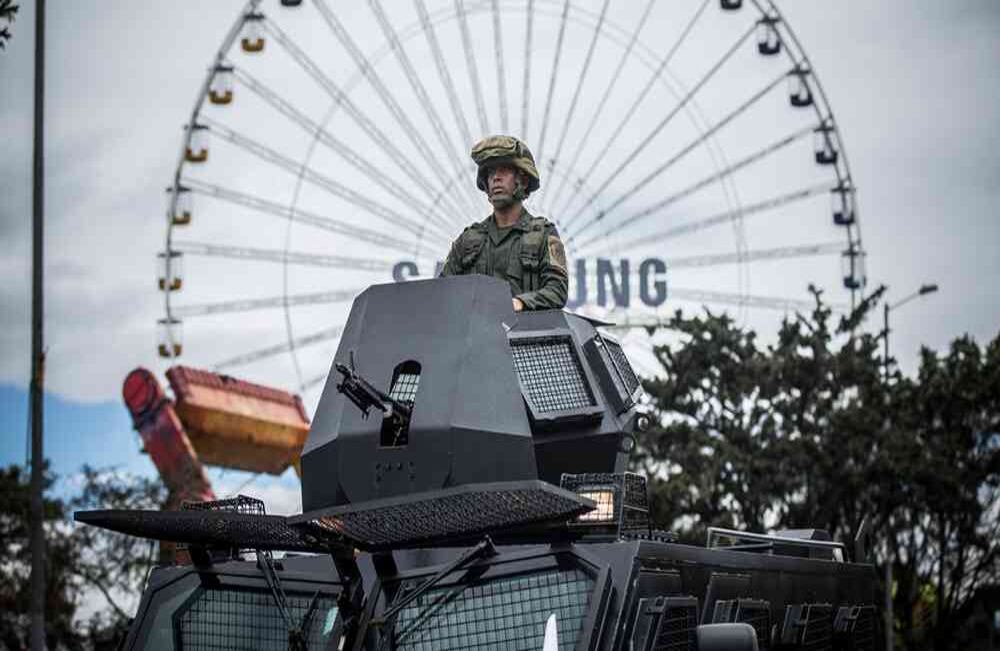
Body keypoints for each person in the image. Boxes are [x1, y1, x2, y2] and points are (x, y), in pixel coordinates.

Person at [440, 136, 569, 311]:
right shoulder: (469, 239)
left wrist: (520, 303)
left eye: (503, 171)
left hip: (527, 335)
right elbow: (441, 293)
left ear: (522, 180)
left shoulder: (542, 234)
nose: (495, 178)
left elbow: (557, 290)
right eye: (491, 173)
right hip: (474, 336)